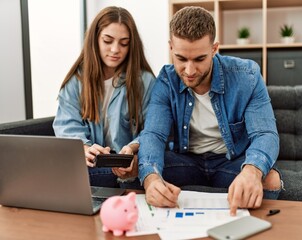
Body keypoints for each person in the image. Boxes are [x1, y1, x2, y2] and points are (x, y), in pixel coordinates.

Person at [137, 6, 282, 216]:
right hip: (187, 160)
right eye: (181, 58)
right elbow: (153, 134)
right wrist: (151, 178)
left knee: (270, 180)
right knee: (140, 170)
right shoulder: (166, 80)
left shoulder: (247, 76)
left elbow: (265, 134)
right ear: (171, 47)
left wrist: (252, 170)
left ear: (214, 49)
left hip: (230, 161)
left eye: (199, 59)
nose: (189, 70)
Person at [53, 6, 156, 187]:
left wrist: (133, 148)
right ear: (95, 40)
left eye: (124, 43)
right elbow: (67, 126)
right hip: (92, 168)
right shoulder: (76, 80)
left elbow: (153, 130)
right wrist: (83, 148)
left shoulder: (145, 81)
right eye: (108, 41)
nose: (115, 49)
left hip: (130, 168)